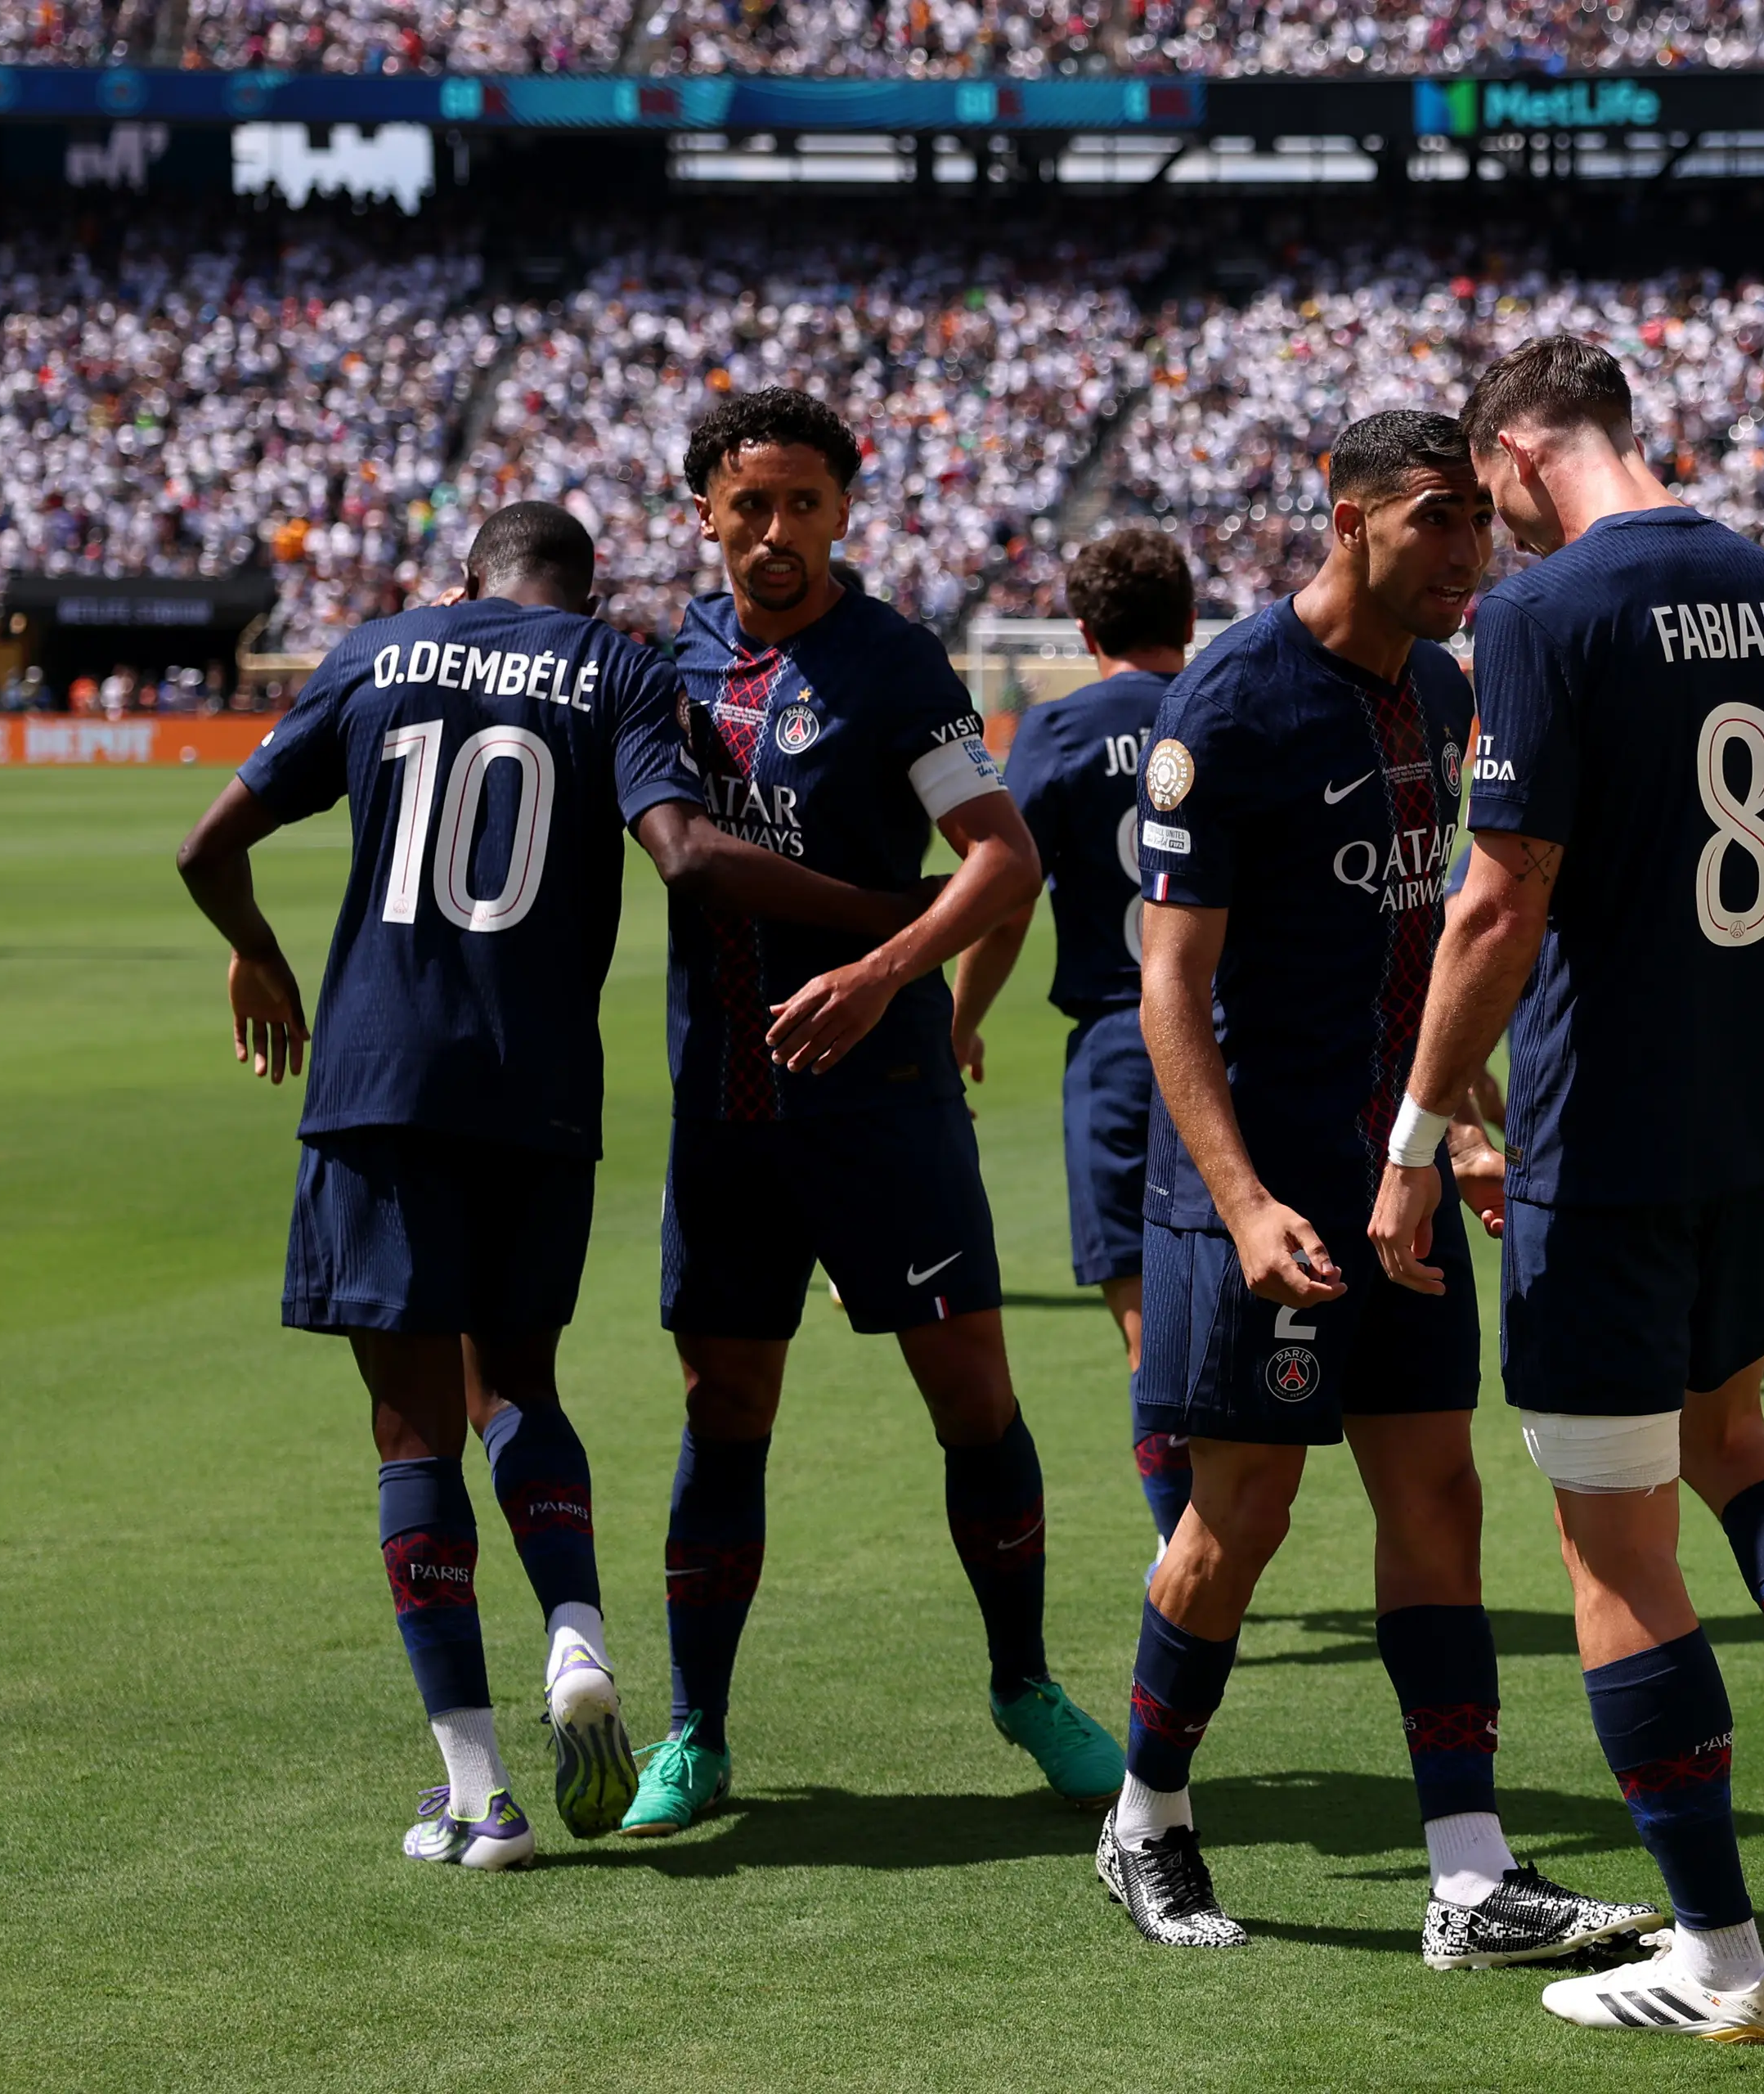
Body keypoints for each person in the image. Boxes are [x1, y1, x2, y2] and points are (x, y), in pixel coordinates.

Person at [174, 500, 927, 1871]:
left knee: (413, 1438)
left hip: (380, 1082)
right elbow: (686, 853)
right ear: (585, 593)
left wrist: (259, 954)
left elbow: (203, 848)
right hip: (538, 1092)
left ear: (467, 577)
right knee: (518, 1387)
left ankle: (479, 1796)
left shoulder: (382, 648)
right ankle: (577, 1632)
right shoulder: (616, 667)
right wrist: (893, 917)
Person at [1372, 338, 1764, 2043]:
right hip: (1754, 1118)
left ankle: (1717, 1956)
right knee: (1732, 1436)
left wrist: (1415, 1141)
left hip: (1604, 1137)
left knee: (1611, 1539)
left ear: (1514, 452)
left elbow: (1499, 901)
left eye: (1487, 488)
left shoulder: (1544, 614)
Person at [1102, 408, 1657, 1971]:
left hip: (1389, 1176)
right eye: (1437, 519)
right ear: (1348, 518)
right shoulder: (1230, 703)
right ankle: (1145, 1819)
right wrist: (1241, 1203)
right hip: (1256, 1187)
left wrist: (1462, 1127)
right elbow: (1170, 988)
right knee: (1243, 1518)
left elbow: (1424, 954)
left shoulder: (1444, 687)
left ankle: (1468, 1879)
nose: (1471, 550)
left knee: (1438, 1495)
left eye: (1479, 516)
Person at [621, 386, 1124, 1839]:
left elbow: (1004, 858)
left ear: (844, 509)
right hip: (727, 1102)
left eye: (804, 503)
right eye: (750, 504)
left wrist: (884, 970)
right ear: (705, 514)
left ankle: (1025, 1684)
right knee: (726, 1408)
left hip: (886, 1092)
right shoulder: (666, 666)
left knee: (972, 1397)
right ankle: (695, 1730)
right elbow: (669, 849)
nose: (776, 530)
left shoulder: (894, 660)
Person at [950, 528, 1201, 1553]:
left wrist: (962, 1020)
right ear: (1191, 620)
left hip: (1123, 1044)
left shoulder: (1056, 730)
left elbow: (1008, 900)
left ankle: (1183, 1549)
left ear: (1086, 632)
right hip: (1244, 1035)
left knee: (1149, 1324)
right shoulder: (1230, 705)